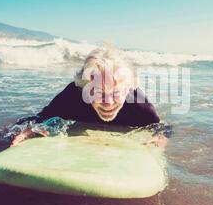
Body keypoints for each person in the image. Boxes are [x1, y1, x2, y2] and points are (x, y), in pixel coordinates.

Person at [10, 46, 167, 147]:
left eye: (116, 93)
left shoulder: (140, 107)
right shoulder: (72, 95)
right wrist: (30, 130)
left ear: (130, 87)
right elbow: (41, 118)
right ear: (83, 86)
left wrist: (157, 141)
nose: (108, 103)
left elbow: (161, 129)